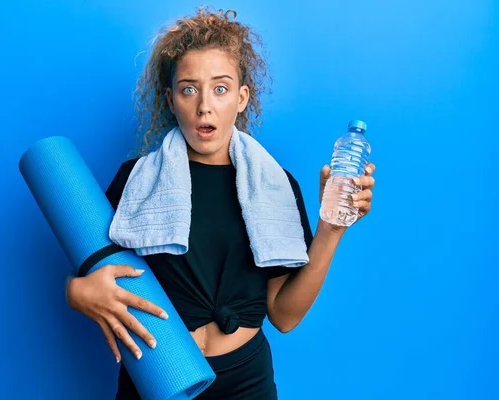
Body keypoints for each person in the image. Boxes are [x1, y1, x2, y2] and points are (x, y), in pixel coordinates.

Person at [66, 7, 376, 399]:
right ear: (170, 98)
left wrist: (332, 230)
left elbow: (284, 315)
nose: (204, 106)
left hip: (247, 381)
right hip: (159, 377)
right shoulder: (136, 180)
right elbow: (91, 271)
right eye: (189, 89)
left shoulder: (276, 185)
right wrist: (75, 292)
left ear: (242, 97)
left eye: (221, 88)